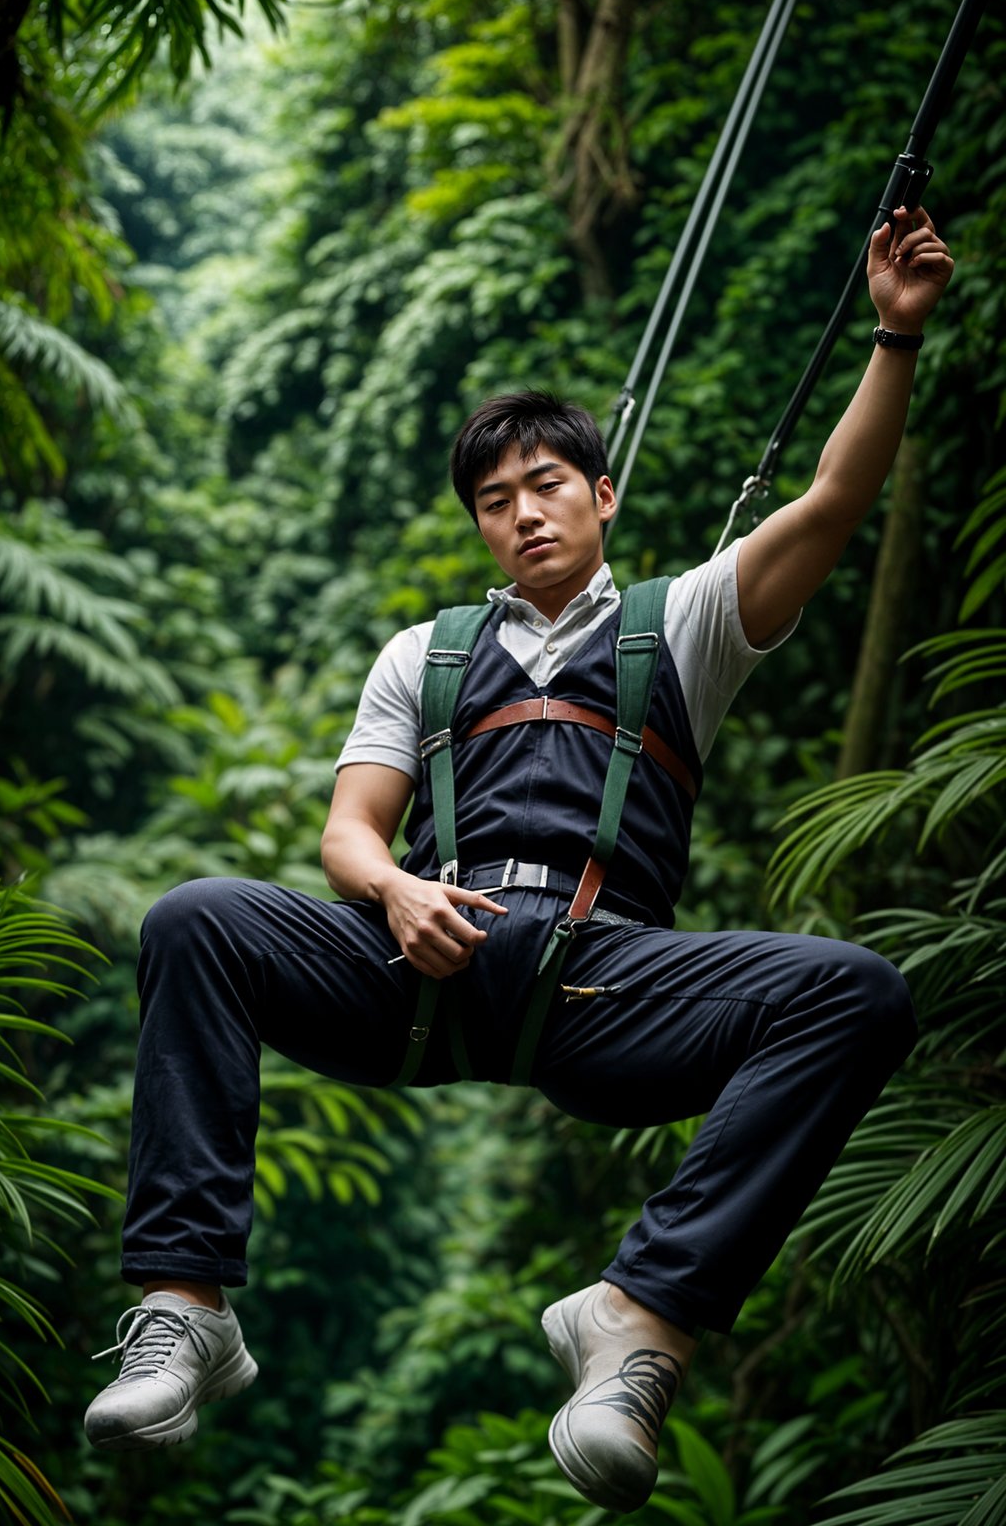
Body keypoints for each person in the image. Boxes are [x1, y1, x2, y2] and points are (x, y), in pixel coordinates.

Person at [84, 207, 953, 1512]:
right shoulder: (420, 657)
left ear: (603, 496)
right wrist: (390, 891)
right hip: (422, 967)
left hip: (607, 983)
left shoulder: (688, 625)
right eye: (497, 500)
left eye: (548, 484)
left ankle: (636, 1319)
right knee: (199, 918)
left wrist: (893, 332)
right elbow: (348, 831)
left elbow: (833, 503)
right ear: (480, 528)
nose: (524, 512)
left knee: (857, 995)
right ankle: (186, 1308)